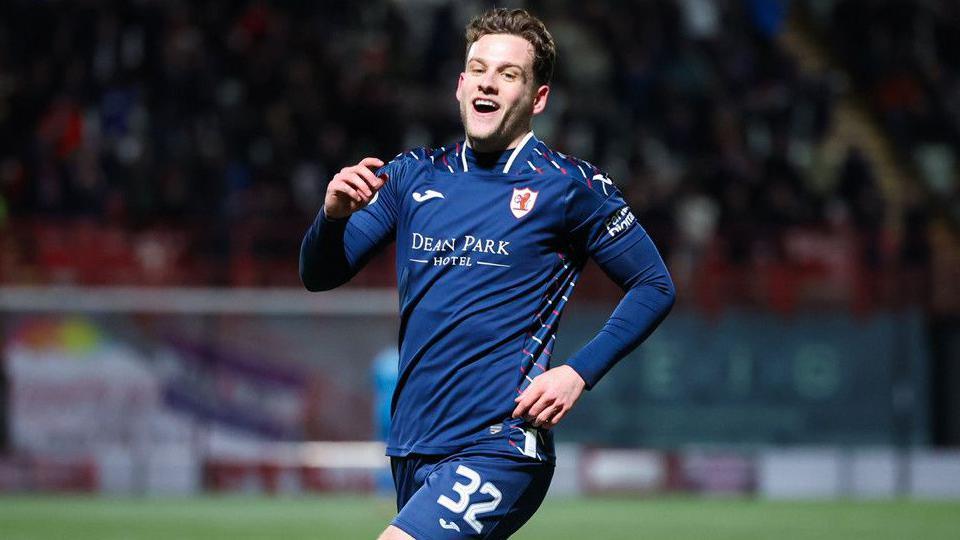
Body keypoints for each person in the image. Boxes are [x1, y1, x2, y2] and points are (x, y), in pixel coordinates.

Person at [300, 8, 674, 539]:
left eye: (509, 74)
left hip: (500, 442)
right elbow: (320, 273)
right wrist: (333, 218)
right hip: (413, 444)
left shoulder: (569, 186)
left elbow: (654, 285)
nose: (489, 83)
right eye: (478, 69)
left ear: (537, 98)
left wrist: (578, 372)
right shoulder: (411, 176)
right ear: (459, 86)